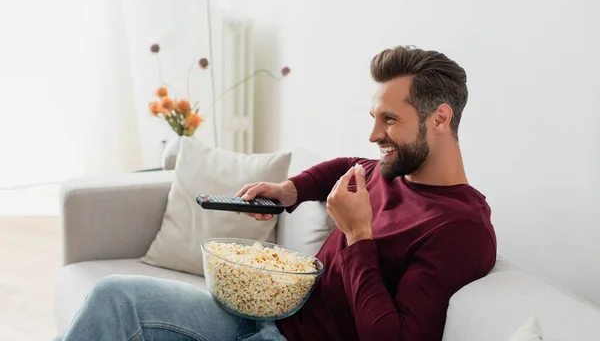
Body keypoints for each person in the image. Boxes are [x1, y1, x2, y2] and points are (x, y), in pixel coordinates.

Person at [54, 45, 497, 341]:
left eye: (390, 120)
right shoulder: (392, 170)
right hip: (269, 316)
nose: (373, 133)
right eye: (374, 117)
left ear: (439, 119)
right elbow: (346, 166)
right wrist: (290, 190)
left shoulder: (458, 229)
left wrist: (360, 236)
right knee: (113, 297)